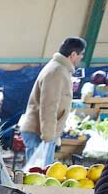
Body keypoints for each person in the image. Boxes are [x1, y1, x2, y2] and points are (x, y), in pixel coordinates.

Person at [20, 37, 85, 165]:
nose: (81, 58)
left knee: (40, 176)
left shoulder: (60, 69)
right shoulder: (57, 71)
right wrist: (48, 137)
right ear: (73, 54)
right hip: (39, 133)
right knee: (37, 177)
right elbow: (48, 106)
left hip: (42, 132)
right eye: (81, 54)